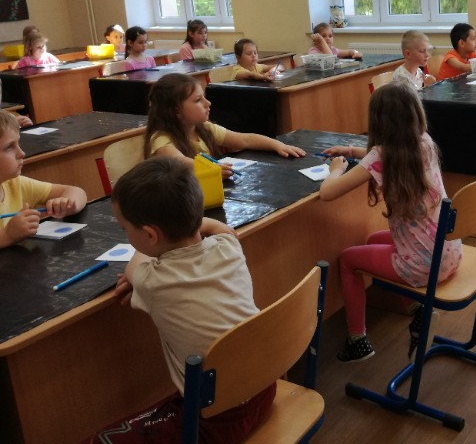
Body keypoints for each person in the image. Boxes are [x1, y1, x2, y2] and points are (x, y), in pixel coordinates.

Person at [84, 157, 274, 442]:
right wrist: (197, 221)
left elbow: (134, 267)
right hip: (264, 387)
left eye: (125, 229)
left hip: (216, 420)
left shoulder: (152, 280)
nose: (126, 235)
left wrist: (145, 257)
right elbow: (221, 229)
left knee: (99, 439)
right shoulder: (228, 247)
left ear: (150, 234)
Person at [319, 82, 461, 362]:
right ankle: (417, 310)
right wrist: (353, 150)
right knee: (373, 240)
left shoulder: (381, 156)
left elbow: (327, 193)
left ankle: (357, 340)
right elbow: (389, 154)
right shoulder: (425, 142)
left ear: (378, 121)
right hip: (449, 252)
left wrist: (336, 169)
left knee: (347, 260)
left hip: (424, 265)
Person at [144, 73, 305, 177]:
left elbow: (245, 140)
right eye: (198, 100)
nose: (208, 103)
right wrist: (212, 170)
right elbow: (180, 163)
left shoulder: (204, 128)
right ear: (176, 111)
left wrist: (277, 145)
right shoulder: (160, 139)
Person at [0, 110, 87, 248]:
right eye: (9, 147)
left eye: (18, 144)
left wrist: (68, 204)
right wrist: (7, 235)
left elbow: (77, 192)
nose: (21, 153)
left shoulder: (14, 184)